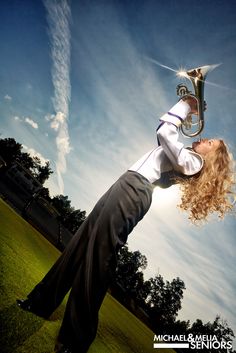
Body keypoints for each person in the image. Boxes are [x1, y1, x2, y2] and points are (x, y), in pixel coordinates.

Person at [16, 98, 234, 353]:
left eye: (210, 143)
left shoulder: (194, 162)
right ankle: (40, 303)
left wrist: (187, 104)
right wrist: (187, 113)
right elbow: (167, 135)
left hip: (134, 190)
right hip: (126, 184)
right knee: (80, 243)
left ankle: (75, 341)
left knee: (99, 257)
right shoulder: (185, 155)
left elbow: (164, 130)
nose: (205, 139)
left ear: (212, 158)